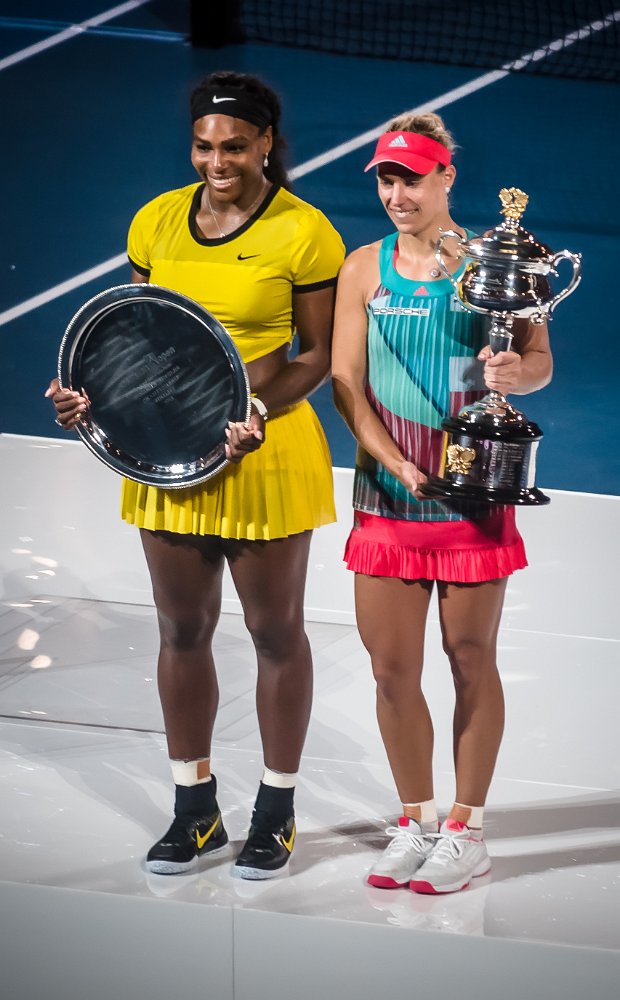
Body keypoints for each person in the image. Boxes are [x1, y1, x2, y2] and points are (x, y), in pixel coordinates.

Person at [46, 70, 345, 879]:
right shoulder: (155, 221)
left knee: (275, 633)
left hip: (264, 450)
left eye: (235, 147)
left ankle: (275, 812)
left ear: (266, 145)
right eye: (205, 146)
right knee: (181, 630)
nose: (218, 161)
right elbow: (134, 340)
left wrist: (255, 410)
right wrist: (87, 399)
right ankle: (195, 810)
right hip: (168, 457)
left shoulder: (304, 232)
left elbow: (317, 355)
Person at [331, 112, 552, 894]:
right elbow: (346, 382)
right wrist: (394, 460)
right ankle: (414, 820)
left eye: (412, 180)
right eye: (387, 181)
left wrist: (514, 378)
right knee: (392, 669)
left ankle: (467, 830)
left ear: (446, 177)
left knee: (469, 660)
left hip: (471, 498)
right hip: (387, 496)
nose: (397, 196)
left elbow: (539, 361)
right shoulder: (363, 268)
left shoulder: (496, 265)